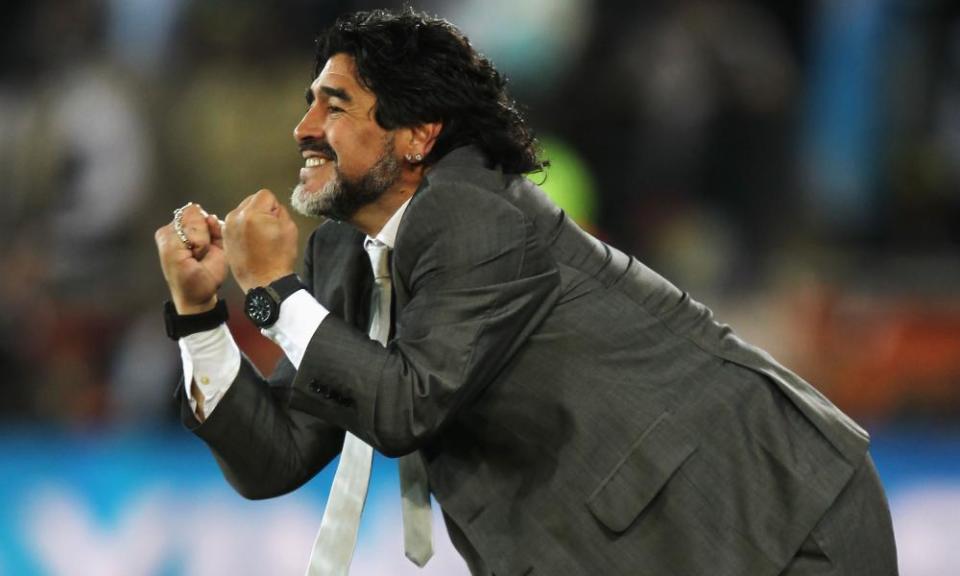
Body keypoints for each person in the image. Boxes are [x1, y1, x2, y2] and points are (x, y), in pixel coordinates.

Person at [154, 9, 898, 576]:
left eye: (335, 105)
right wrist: (200, 319)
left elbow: (406, 404)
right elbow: (276, 457)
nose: (303, 127)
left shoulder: (474, 211)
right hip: (648, 536)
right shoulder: (348, 254)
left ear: (417, 134)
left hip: (773, 513)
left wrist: (272, 293)